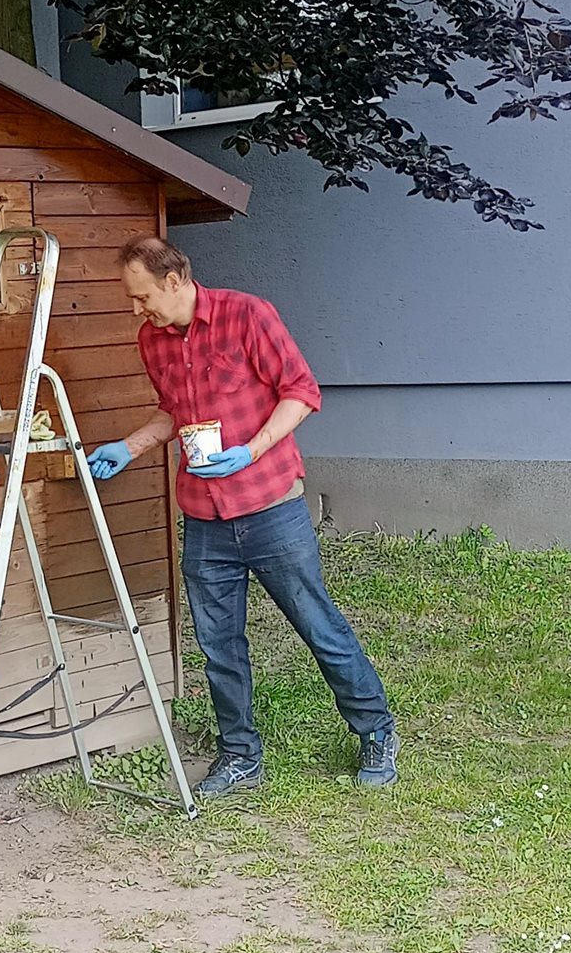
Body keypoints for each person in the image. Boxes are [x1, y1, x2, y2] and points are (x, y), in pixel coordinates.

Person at [87, 235, 397, 796]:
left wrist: (251, 450)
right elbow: (173, 412)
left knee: (318, 626)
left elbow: (301, 392)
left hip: (271, 506)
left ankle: (376, 730)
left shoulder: (248, 315)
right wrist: (129, 447)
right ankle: (240, 757)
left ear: (174, 281)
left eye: (142, 296)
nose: (136, 309)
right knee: (218, 647)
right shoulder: (152, 340)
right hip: (204, 517)